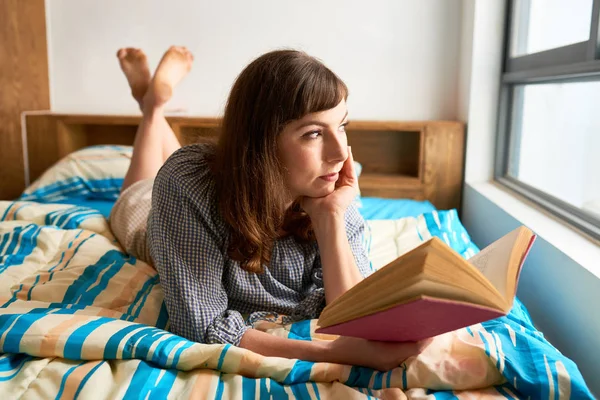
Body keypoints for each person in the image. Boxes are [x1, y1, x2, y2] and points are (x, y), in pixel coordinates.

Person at [110, 46, 430, 371]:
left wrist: (330, 218)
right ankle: (152, 107)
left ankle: (152, 103)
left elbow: (356, 315)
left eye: (342, 126)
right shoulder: (186, 183)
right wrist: (337, 354)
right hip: (153, 218)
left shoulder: (329, 187)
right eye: (314, 133)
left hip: (234, 179)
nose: (339, 153)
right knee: (139, 188)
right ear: (262, 141)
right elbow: (202, 326)